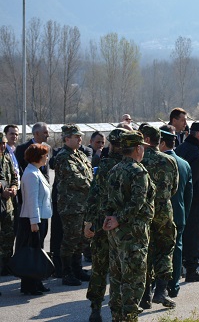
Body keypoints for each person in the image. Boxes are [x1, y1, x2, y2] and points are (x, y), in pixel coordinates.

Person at [104, 131, 155, 322]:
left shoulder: (114, 169)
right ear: (137, 148)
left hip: (116, 233)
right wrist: (118, 218)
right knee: (133, 279)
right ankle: (130, 317)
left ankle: (117, 317)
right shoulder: (138, 171)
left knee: (117, 278)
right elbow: (137, 203)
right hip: (133, 233)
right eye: (142, 147)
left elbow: (108, 199)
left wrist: (110, 217)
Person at [84, 128, 123, 322]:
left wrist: (89, 223)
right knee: (120, 269)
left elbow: (93, 196)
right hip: (122, 227)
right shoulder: (132, 166)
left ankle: (96, 308)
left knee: (99, 268)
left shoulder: (105, 165)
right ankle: (118, 309)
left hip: (101, 224)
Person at [138, 124, 178, 309]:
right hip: (163, 211)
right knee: (165, 248)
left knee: (145, 250)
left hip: (142, 212)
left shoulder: (138, 161)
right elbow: (174, 188)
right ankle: (161, 290)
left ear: (145, 140)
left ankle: (145, 295)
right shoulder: (169, 161)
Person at [53, 124, 93, 286]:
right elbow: (76, 178)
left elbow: (89, 173)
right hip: (71, 206)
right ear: (67, 138)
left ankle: (77, 268)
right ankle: (67, 272)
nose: (80, 139)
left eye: (80, 136)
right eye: (76, 137)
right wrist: (95, 184)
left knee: (82, 239)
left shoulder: (80, 155)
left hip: (83, 205)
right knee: (70, 239)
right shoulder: (63, 157)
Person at [158, 125, 192, 299]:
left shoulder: (156, 162)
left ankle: (158, 285)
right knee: (177, 249)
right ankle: (174, 285)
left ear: (162, 143)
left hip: (158, 215)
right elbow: (188, 195)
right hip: (178, 213)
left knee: (157, 249)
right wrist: (184, 213)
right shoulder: (184, 164)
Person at [174, 121, 199, 282]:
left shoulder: (181, 148)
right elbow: (194, 178)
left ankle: (182, 266)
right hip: (194, 198)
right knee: (195, 233)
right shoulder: (197, 152)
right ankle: (191, 269)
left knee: (183, 233)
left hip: (181, 198)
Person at [16, 143, 52, 295]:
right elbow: (32, 200)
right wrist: (34, 221)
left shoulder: (36, 171)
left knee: (38, 251)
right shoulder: (30, 174)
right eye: (45, 155)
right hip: (32, 219)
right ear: (38, 157)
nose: (47, 158)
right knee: (31, 253)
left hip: (39, 218)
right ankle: (29, 286)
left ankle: (37, 282)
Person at [0, 132, 19, 274]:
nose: (2, 146)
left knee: (8, 234)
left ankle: (6, 263)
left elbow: (15, 176)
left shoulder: (7, 158)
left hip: (8, 205)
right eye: (0, 143)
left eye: (4, 143)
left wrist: (14, 187)